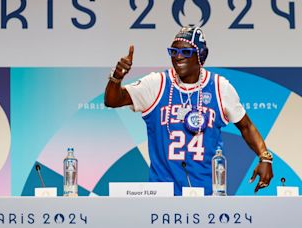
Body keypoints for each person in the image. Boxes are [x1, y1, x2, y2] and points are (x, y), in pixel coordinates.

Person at [104, 26, 273, 195]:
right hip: (162, 194)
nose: (178, 57)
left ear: (201, 56)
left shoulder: (220, 87)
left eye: (185, 52)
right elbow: (112, 100)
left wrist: (265, 157)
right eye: (173, 51)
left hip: (208, 192)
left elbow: (246, 126)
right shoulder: (157, 84)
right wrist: (116, 77)